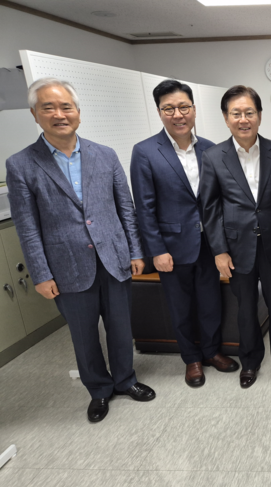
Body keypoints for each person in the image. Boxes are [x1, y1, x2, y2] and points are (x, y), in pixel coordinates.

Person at [5, 77, 156, 423]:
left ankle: (126, 380)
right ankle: (99, 390)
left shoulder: (105, 154)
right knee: (84, 335)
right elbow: (27, 227)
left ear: (77, 112)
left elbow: (126, 208)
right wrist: (40, 274)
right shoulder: (21, 164)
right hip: (66, 265)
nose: (59, 114)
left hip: (114, 259)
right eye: (49, 108)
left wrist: (136, 252)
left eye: (66, 107)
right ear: (35, 114)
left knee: (121, 328)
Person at [130, 80, 239, 388]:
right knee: (180, 307)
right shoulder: (145, 151)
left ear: (194, 109)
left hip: (208, 244)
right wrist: (156, 250)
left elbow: (218, 200)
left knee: (210, 302)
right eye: (169, 109)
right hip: (171, 247)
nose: (178, 115)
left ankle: (211, 352)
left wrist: (222, 244)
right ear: (159, 112)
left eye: (183, 107)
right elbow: (145, 208)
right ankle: (191, 359)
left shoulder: (210, 148)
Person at [200, 85, 271, 389]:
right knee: (245, 308)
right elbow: (210, 208)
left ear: (260, 115)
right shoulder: (213, 157)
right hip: (236, 247)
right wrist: (219, 250)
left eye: (249, 112)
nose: (243, 119)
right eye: (236, 113)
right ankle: (250, 362)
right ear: (226, 118)